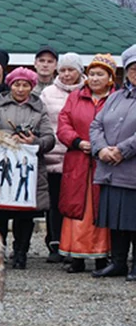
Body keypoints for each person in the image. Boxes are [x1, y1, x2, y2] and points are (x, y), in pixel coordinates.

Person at [0, 67, 55, 269]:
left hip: (28, 169)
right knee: (0, 213)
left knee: (25, 216)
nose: (21, 89)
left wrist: (34, 141)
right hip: (2, 167)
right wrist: (7, 138)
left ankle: (21, 252)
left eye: (25, 85)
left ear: (31, 87)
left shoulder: (39, 108)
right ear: (10, 85)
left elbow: (50, 138)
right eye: (17, 84)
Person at [56, 55, 113, 273]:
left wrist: (104, 146)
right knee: (76, 207)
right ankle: (75, 257)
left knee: (101, 207)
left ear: (110, 77)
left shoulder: (116, 99)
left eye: (101, 74)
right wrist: (78, 142)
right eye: (92, 74)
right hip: (78, 159)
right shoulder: (75, 98)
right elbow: (63, 124)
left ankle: (102, 256)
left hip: (105, 162)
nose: (95, 78)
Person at [91, 46, 136, 280]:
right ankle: (118, 262)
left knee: (134, 220)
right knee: (115, 220)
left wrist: (123, 150)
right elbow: (96, 125)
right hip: (110, 169)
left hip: (132, 170)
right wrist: (101, 149)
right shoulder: (116, 97)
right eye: (132, 68)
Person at [40, 53, 86, 264]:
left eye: (71, 70)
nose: (67, 75)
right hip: (53, 154)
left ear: (80, 71)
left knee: (77, 203)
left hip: (80, 155)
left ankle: (77, 244)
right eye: (63, 70)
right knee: (55, 202)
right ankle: (55, 242)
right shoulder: (48, 93)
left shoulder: (88, 91)